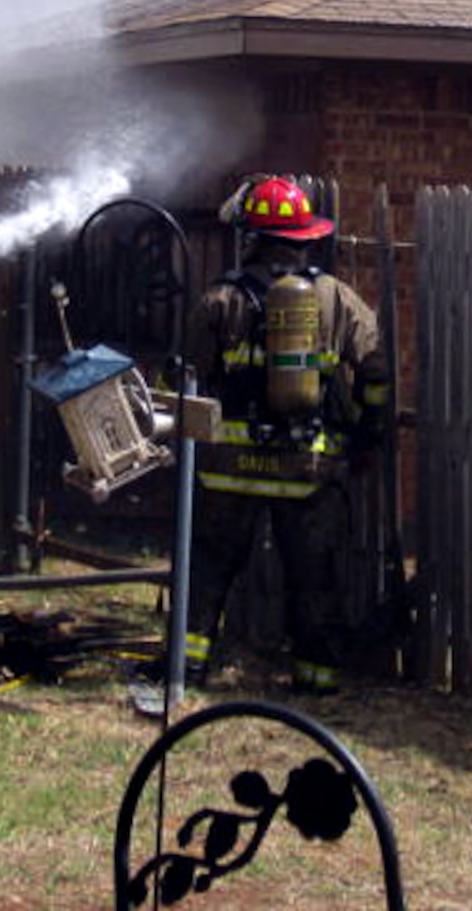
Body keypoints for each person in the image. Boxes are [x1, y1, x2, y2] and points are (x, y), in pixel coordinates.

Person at [184, 174, 392, 694]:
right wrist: (370, 434)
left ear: (251, 238)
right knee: (314, 575)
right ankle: (315, 676)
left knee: (209, 569)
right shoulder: (336, 298)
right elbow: (376, 371)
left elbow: (185, 374)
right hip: (308, 465)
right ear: (304, 237)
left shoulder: (219, 301)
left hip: (231, 467)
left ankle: (187, 669)